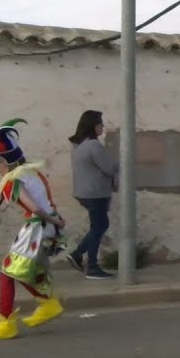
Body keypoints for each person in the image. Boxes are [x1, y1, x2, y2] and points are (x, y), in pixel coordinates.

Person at [0, 119, 67, 341]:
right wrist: (56, 221)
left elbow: (34, 207)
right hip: (47, 226)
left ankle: (6, 324)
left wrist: (53, 221)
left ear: (3, 163)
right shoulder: (33, 172)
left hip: (37, 228)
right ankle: (47, 304)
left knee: (7, 272)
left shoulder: (11, 181)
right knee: (18, 270)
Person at [66, 110, 116, 280]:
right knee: (99, 226)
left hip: (84, 192)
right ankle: (92, 267)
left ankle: (78, 255)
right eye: (101, 123)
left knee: (99, 225)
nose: (103, 126)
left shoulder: (79, 145)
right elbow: (109, 168)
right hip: (96, 193)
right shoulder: (94, 146)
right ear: (94, 126)